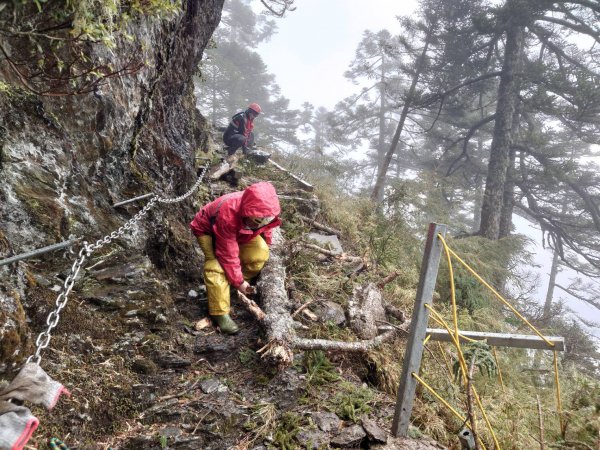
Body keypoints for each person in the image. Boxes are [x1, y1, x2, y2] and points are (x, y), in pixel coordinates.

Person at [189, 182, 281, 334]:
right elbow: (228, 253)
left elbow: (266, 228)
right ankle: (219, 313)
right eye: (258, 220)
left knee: (260, 253)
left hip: (240, 232)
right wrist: (239, 282)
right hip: (208, 231)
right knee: (216, 266)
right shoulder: (228, 214)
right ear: (248, 211)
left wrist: (268, 242)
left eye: (266, 219)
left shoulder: (264, 213)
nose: (262, 222)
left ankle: (228, 288)